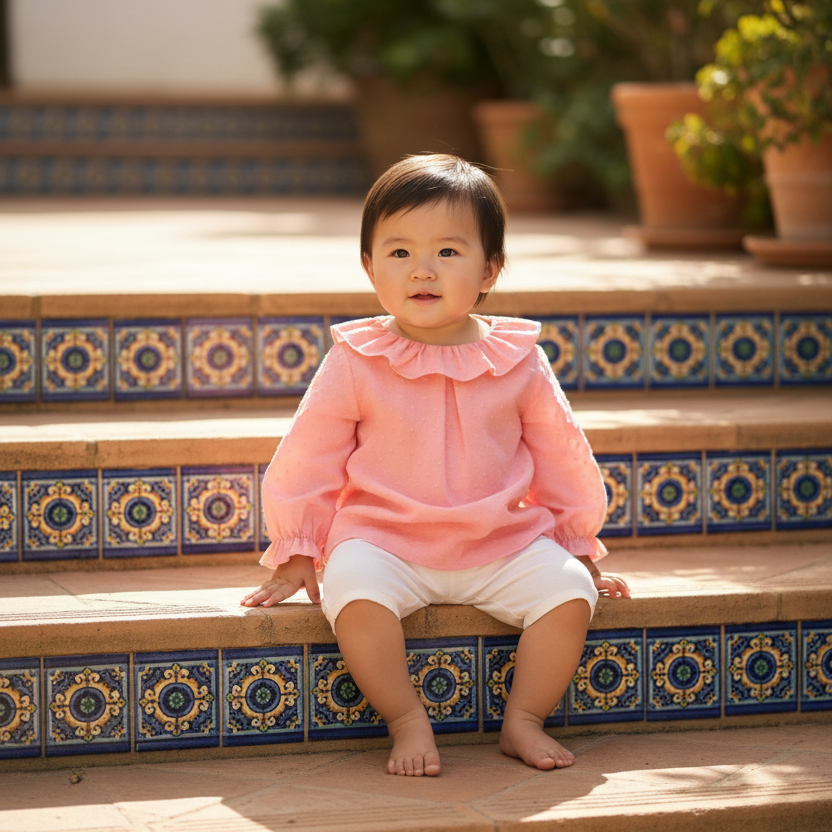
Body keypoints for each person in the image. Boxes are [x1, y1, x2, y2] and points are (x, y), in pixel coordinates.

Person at [241, 153, 630, 778]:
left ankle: (523, 718)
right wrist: (298, 544)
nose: (421, 269)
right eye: (398, 253)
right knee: (355, 592)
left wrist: (575, 540)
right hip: (385, 538)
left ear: (489, 270)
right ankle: (405, 717)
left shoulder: (519, 360)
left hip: (502, 539)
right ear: (369, 267)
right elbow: (309, 457)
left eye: (448, 252)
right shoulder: (355, 360)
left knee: (568, 594)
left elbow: (561, 451)